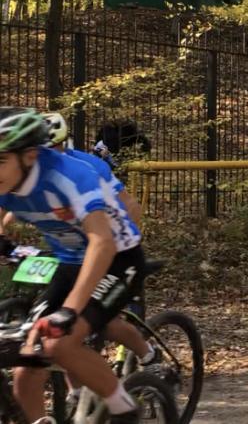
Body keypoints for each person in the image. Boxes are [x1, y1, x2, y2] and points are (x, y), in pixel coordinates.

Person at [0, 107, 146, 424]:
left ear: (28, 156)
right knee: (26, 367)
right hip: (69, 263)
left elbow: (102, 242)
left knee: (60, 343)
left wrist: (69, 311)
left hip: (117, 259)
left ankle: (125, 411)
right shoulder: (8, 181)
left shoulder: (68, 176)